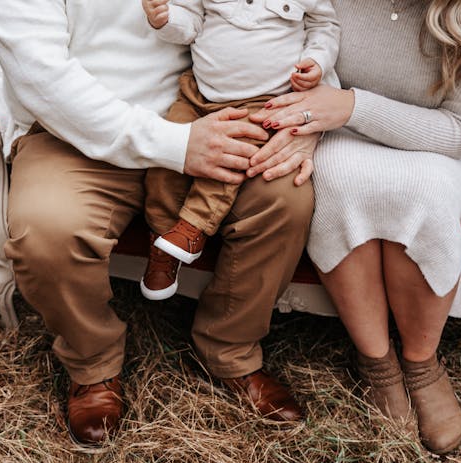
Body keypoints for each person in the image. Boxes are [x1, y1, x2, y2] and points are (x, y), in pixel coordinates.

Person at [0, 0, 318, 446]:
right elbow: (45, 80)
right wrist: (176, 145)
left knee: (282, 200)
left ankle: (229, 347)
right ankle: (93, 364)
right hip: (74, 133)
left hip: (205, 108)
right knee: (46, 230)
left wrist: (305, 109)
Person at [251, 0, 461, 455]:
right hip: (334, 130)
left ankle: (422, 365)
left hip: (438, 146)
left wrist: (352, 107)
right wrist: (313, 117)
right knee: (338, 182)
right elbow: (297, 47)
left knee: (424, 192)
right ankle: (377, 363)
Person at [138, 0, 339, 300]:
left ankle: (194, 227)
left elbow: (325, 26)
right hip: (198, 94)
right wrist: (166, 20)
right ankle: (162, 245)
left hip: (261, 102)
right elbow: (190, 21)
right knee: (166, 164)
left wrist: (317, 61)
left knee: (227, 161)